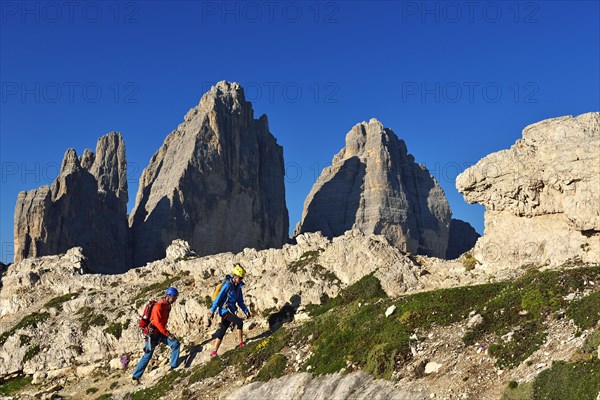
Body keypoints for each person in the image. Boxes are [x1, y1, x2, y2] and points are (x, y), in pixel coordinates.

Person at [132, 287, 180, 384]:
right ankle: (135, 377)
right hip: (152, 334)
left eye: (175, 298)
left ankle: (173, 366)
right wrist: (168, 334)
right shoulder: (159, 306)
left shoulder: (168, 306)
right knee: (147, 356)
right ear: (168, 296)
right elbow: (158, 323)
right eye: (173, 298)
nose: (174, 300)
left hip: (160, 333)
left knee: (175, 344)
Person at [208, 264, 251, 357]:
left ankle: (214, 352)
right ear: (235, 276)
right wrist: (212, 310)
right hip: (224, 310)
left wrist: (246, 310)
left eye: (242, 278)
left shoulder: (238, 287)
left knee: (222, 331)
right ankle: (241, 343)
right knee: (239, 322)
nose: (241, 280)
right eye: (240, 278)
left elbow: (240, 301)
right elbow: (218, 298)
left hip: (231, 311)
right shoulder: (227, 285)